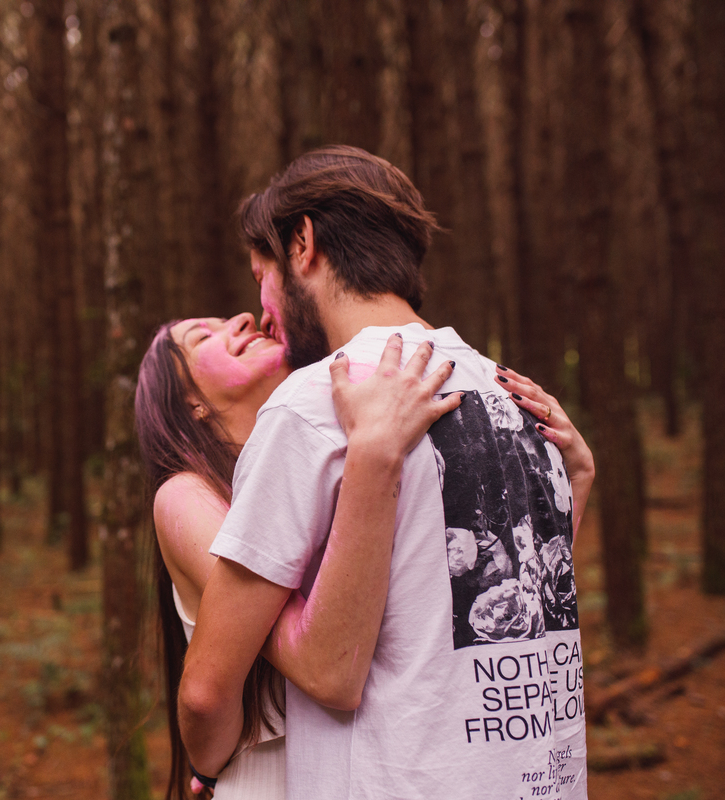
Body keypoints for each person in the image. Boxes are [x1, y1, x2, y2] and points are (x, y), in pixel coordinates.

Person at [177, 146, 596, 799]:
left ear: (303, 245)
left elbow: (205, 694)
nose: (263, 310)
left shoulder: (316, 405)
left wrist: (204, 773)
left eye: (262, 274)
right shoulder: (518, 398)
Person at [137, 314, 463, 798]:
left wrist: (576, 482)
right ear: (190, 403)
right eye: (203, 337)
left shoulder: (323, 463)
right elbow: (323, 668)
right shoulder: (186, 497)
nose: (244, 318)